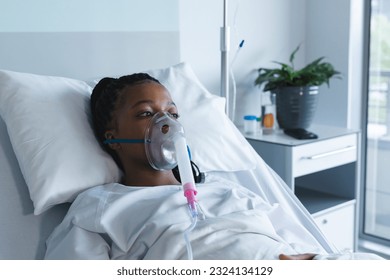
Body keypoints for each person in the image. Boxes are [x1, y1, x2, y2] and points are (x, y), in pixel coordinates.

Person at [44, 73, 382, 260]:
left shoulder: (225, 189)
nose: (167, 124)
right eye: (146, 113)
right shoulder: (101, 207)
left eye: (173, 114)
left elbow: (296, 245)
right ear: (112, 136)